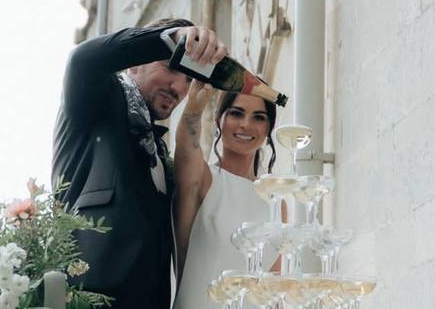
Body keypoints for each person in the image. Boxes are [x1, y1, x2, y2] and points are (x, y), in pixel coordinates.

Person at [52, 18, 228, 309]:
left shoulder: (159, 151)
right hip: (87, 296)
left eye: (187, 78)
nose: (178, 87)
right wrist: (172, 37)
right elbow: (82, 60)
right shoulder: (97, 100)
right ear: (134, 64)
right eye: (171, 67)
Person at [172, 84, 278, 309]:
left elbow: (274, 289)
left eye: (259, 118)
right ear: (218, 119)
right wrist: (194, 106)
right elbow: (186, 145)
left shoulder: (275, 201)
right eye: (236, 113)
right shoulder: (204, 178)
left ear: (269, 128)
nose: (246, 124)